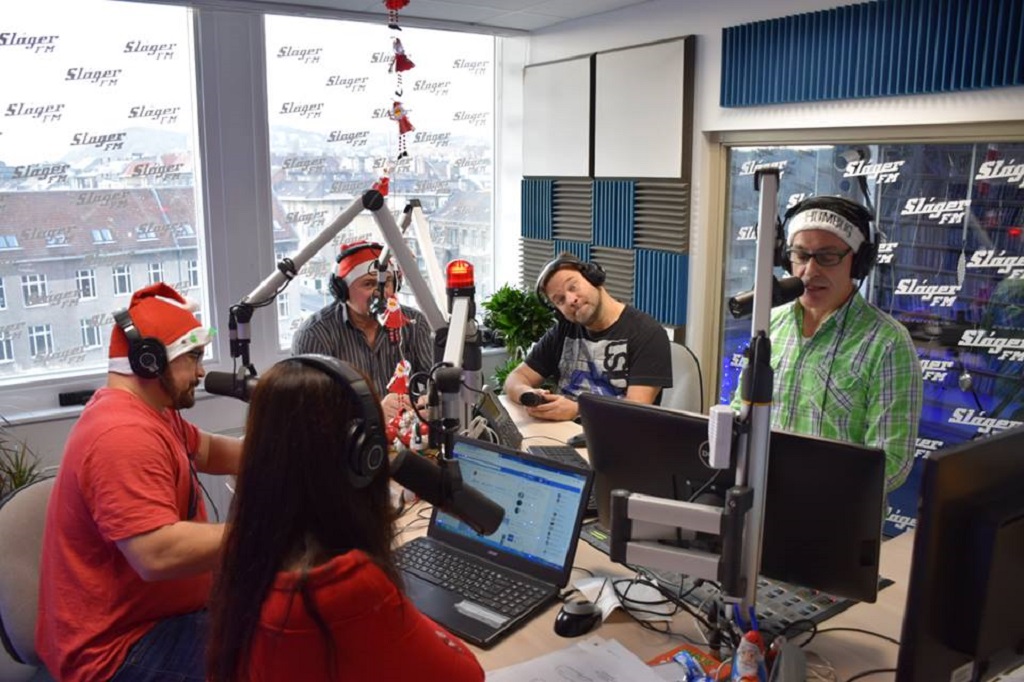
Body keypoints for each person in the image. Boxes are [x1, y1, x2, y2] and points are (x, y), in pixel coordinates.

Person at [206, 354, 483, 682]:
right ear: (363, 457)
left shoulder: (247, 557)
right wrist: (400, 610)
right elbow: (468, 674)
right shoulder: (347, 584)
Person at [36, 283, 243, 682]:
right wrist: (272, 531)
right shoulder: (122, 435)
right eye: (193, 357)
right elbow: (156, 554)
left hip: (158, 618)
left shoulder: (153, 412)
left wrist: (287, 453)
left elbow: (211, 451)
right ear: (149, 361)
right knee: (274, 652)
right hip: (115, 650)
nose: (201, 372)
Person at [734, 195, 922, 493]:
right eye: (800, 255)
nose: (810, 271)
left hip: (834, 511)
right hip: (758, 504)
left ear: (857, 262)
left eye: (827, 256)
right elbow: (741, 411)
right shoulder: (769, 324)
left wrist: (816, 489)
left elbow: (892, 461)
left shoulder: (888, 343)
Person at [503, 253, 672, 421]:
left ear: (594, 278)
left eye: (573, 287)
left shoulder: (647, 333)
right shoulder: (564, 330)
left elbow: (636, 410)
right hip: (563, 430)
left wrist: (578, 410)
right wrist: (528, 394)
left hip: (616, 434)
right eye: (560, 300)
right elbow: (516, 378)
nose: (571, 300)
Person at [291, 240, 433, 422]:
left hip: (406, 430)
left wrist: (428, 402)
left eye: (386, 283)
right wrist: (373, 413)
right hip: (347, 437)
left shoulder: (414, 323)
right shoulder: (314, 334)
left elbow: (435, 380)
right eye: (368, 284)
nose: (381, 294)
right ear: (343, 291)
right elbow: (310, 412)